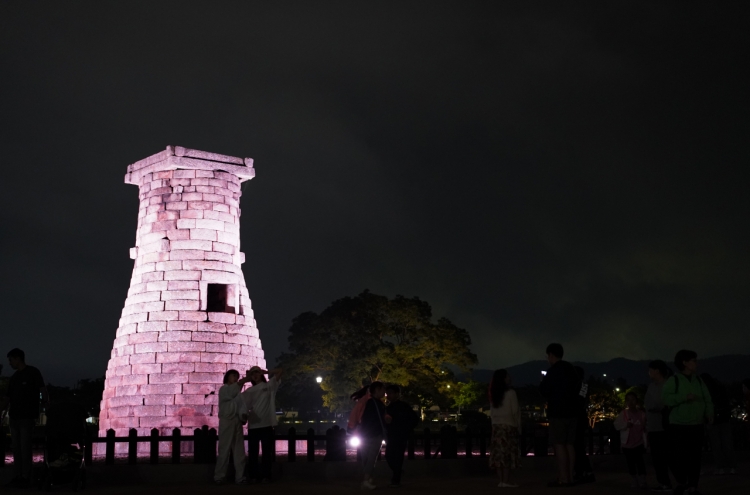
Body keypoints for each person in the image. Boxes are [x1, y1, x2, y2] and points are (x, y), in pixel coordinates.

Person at [662, 350, 713, 495]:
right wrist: (684, 397)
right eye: (694, 360)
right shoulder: (675, 380)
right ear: (685, 362)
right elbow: (666, 399)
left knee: (695, 457)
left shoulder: (698, 380)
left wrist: (709, 413)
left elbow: (707, 398)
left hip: (696, 424)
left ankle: (692, 485)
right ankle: (682, 482)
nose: (696, 363)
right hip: (678, 425)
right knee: (680, 456)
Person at [0, 348, 48, 488]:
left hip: (27, 416)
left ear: (18, 358)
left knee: (24, 447)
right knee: (16, 448)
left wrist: (46, 404)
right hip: (15, 417)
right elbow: (8, 398)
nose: (10, 363)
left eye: (11, 360)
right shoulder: (14, 378)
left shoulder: (33, 372)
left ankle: (25, 476)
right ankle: (19, 475)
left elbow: (42, 389)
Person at [539, 343, 581, 487]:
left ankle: (563, 478)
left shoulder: (553, 371)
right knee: (570, 445)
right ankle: (570, 476)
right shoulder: (571, 369)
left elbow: (544, 390)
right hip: (573, 412)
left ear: (551, 355)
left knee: (559, 444)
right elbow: (579, 388)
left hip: (558, 412)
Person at [241, 366, 283, 483]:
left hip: (266, 424)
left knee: (266, 453)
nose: (255, 375)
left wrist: (267, 372)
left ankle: (266, 475)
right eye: (253, 373)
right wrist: (246, 379)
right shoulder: (249, 391)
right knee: (253, 453)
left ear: (261, 374)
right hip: (253, 424)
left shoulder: (269, 386)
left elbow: (280, 370)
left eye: (257, 373)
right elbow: (239, 402)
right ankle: (253, 476)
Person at [214, 369, 251, 485]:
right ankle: (219, 476)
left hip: (236, 421)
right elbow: (231, 393)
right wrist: (244, 380)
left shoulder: (238, 395)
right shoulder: (224, 389)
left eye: (236, 376)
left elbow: (242, 407)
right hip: (227, 421)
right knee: (224, 450)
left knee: (239, 451)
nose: (235, 377)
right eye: (233, 375)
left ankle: (240, 477)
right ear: (227, 377)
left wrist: (244, 416)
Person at [488, 369, 522, 488]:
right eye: (507, 376)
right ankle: (506, 480)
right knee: (507, 454)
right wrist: (518, 426)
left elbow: (492, 413)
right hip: (509, 426)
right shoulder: (511, 393)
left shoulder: (493, 394)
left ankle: (501, 480)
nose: (509, 378)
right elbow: (515, 411)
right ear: (504, 379)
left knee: (498, 455)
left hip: (497, 427)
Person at [645, 360, 674, 491]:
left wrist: (655, 407)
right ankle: (663, 482)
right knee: (657, 457)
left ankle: (671, 482)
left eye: (650, 370)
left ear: (657, 371)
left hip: (665, 426)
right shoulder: (652, 386)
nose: (649, 373)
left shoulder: (667, 385)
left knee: (667, 456)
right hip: (653, 426)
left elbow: (664, 403)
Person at [701, 373, 736, 475]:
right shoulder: (720, 387)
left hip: (713, 420)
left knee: (716, 445)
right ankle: (732, 466)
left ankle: (720, 467)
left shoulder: (706, 390)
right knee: (727, 443)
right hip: (724, 419)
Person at [384, 384, 419, 487]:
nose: (388, 396)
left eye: (390, 393)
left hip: (400, 435)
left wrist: (406, 429)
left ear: (397, 394)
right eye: (387, 393)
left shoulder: (403, 406)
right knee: (389, 455)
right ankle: (397, 473)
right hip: (393, 435)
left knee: (397, 456)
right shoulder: (389, 407)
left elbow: (414, 419)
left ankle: (396, 479)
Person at [357, 381, 387, 490]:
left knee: (366, 458)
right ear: (377, 390)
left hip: (364, 434)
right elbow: (379, 421)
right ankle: (366, 479)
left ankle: (367, 479)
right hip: (375, 434)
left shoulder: (367, 402)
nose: (384, 392)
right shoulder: (378, 404)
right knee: (371, 458)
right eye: (383, 390)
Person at [614, 392, 648, 489]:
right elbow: (616, 425)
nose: (630, 402)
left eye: (632, 399)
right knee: (631, 463)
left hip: (639, 442)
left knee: (640, 462)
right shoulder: (624, 413)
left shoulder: (641, 414)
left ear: (636, 401)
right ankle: (634, 479)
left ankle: (642, 479)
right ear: (626, 402)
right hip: (627, 444)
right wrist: (625, 425)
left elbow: (645, 426)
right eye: (628, 400)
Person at [572, 366, 595, 484]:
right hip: (581, 418)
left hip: (577, 419)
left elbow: (579, 401)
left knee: (578, 447)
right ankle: (583, 471)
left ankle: (582, 471)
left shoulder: (580, 386)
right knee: (579, 447)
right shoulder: (584, 386)